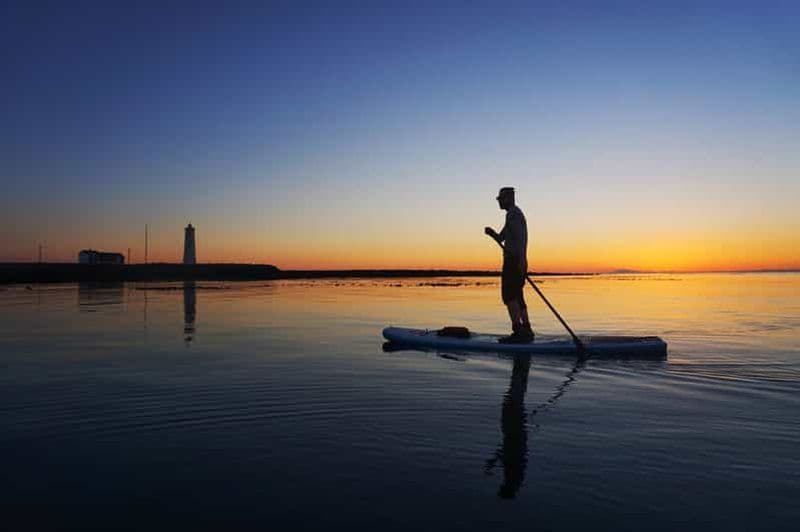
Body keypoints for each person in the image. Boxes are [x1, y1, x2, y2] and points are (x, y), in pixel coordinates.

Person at [485, 187, 534, 343]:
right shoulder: (513, 215)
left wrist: (520, 261)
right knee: (518, 296)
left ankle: (519, 332)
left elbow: (520, 239)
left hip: (513, 261)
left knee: (509, 296)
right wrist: (492, 234)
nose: (499, 202)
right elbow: (502, 238)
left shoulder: (513, 214)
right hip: (517, 261)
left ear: (508, 198)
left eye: (501, 199)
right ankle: (526, 329)